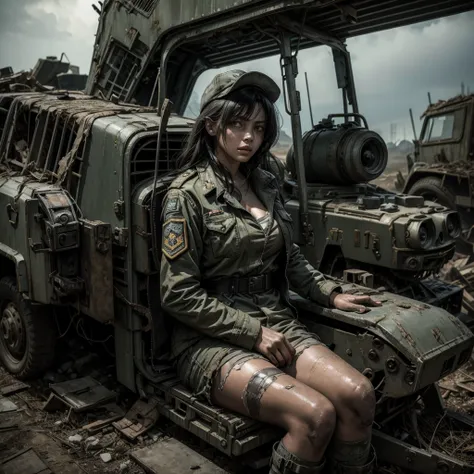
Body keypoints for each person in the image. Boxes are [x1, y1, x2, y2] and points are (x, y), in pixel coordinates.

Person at [160, 69, 381, 474]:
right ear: (212, 125)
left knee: (358, 395)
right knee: (314, 416)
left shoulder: (265, 183)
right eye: (237, 124)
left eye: (258, 127)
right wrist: (253, 333)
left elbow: (290, 258)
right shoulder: (186, 196)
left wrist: (329, 293)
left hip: (277, 322)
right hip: (211, 340)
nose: (249, 137)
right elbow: (178, 295)